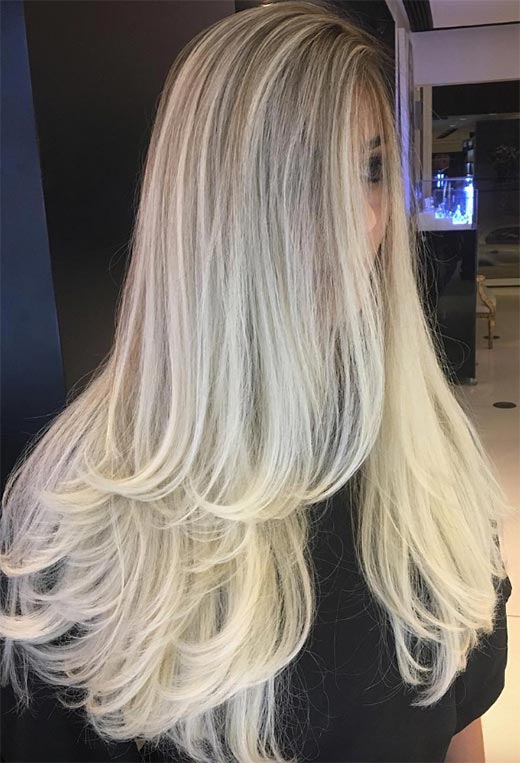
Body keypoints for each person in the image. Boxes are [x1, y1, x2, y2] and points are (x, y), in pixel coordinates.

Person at [0, 1, 514, 762]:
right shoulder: (79, 522)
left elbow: (458, 722)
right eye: (303, 178)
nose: (357, 221)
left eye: (372, 169)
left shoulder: (430, 464)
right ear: (213, 205)